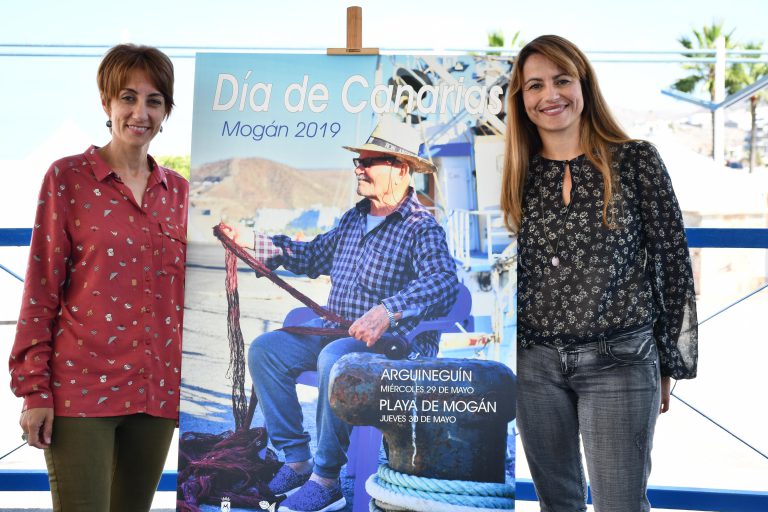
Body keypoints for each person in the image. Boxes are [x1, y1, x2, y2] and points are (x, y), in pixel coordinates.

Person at [500, 35, 698, 512]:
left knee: (620, 505)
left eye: (562, 80)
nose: (550, 95)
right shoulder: (510, 173)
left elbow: (673, 263)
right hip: (532, 367)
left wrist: (669, 361)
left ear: (584, 85)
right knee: (558, 505)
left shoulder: (636, 161)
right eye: (535, 86)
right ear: (521, 99)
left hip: (622, 361)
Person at [9, 44, 188, 512]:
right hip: (80, 392)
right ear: (106, 104)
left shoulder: (184, 193)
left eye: (154, 101)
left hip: (157, 393)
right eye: (128, 97)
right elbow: (40, 290)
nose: (140, 112)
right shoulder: (67, 178)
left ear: (167, 111)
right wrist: (34, 390)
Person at [247, 116, 458, 512]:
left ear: (401, 169)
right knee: (265, 350)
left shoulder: (420, 227)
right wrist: (255, 244)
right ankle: (296, 460)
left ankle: (326, 478)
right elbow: (310, 255)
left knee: (336, 358)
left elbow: (445, 281)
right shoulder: (353, 218)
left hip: (393, 347)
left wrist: (388, 311)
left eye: (370, 160)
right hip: (334, 333)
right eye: (357, 161)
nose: (359, 168)